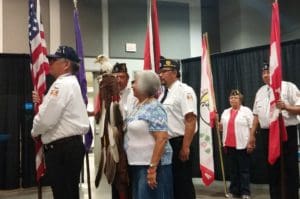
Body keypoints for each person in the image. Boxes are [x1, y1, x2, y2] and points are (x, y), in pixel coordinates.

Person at [31, 45, 90, 199]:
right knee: (68, 193)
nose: (50, 63)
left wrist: (35, 131)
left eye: (54, 60)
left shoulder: (62, 84)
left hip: (63, 149)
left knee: (63, 194)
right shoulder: (70, 83)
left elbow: (46, 118)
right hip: (69, 147)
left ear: (66, 65)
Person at [249, 63, 300, 199]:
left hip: (286, 132)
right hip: (267, 134)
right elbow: (256, 115)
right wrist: (252, 135)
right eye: (263, 72)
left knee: (290, 169)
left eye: (268, 72)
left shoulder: (289, 87)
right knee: (272, 169)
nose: (266, 75)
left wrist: (287, 107)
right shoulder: (260, 92)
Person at [124, 71, 173, 199]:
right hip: (137, 164)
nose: (132, 85)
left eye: (135, 82)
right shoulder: (137, 106)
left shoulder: (154, 107)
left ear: (144, 86)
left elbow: (161, 138)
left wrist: (152, 168)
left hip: (153, 166)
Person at [158, 58, 197, 199]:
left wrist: (185, 147)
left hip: (179, 142)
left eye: (164, 72)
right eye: (159, 72)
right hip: (166, 144)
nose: (160, 75)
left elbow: (190, 120)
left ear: (174, 73)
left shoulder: (185, 91)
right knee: (171, 184)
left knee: (183, 185)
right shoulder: (163, 94)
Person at [219, 90, 253, 199]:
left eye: (235, 98)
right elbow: (221, 128)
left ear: (240, 100)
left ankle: (245, 192)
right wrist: (216, 122)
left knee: (244, 170)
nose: (233, 99)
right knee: (233, 170)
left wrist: (251, 142)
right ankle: (234, 191)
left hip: (242, 145)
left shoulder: (246, 111)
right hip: (229, 145)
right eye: (231, 98)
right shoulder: (225, 112)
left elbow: (252, 127)